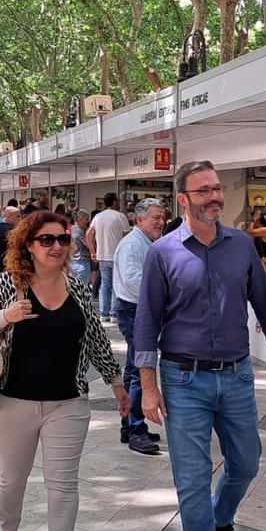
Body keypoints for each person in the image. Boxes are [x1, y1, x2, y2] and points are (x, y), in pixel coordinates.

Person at [135, 161, 266, 531]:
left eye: (217, 188)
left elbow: (264, 302)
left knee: (246, 463)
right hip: (183, 380)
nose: (215, 197)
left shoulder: (242, 244)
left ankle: (221, 517)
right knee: (192, 478)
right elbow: (146, 323)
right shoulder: (162, 253)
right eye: (204, 191)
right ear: (183, 200)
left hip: (237, 377)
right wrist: (148, 385)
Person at [0, 210, 129, 531]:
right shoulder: (7, 285)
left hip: (67, 403)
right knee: (12, 479)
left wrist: (116, 382)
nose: (57, 246)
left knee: (64, 483)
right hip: (12, 403)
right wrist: (4, 317)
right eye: (47, 239)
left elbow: (96, 337)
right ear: (28, 244)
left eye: (63, 239)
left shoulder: (78, 288)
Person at [113, 198, 167, 455]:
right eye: (155, 217)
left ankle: (131, 426)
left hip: (139, 311)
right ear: (139, 219)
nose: (161, 221)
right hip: (134, 311)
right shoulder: (133, 245)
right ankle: (135, 429)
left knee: (134, 367)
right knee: (139, 369)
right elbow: (133, 281)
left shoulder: (147, 243)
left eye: (162, 216)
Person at [86, 192, 129, 322]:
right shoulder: (121, 217)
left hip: (102, 256)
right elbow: (127, 236)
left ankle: (103, 313)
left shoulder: (98, 217)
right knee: (116, 284)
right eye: (118, 200)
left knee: (105, 285)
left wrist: (93, 251)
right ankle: (114, 313)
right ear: (114, 202)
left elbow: (88, 234)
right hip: (117, 256)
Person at [68, 210, 92, 282]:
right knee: (83, 287)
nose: (88, 222)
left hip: (72, 261)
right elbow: (89, 245)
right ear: (79, 219)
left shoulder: (71, 229)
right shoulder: (80, 232)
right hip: (81, 262)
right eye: (86, 219)